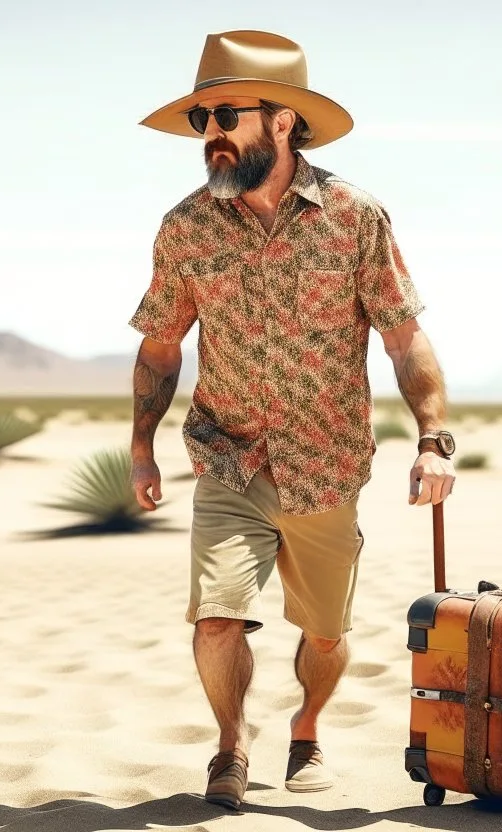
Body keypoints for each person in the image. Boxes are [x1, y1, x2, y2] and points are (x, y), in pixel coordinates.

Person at [127, 30, 456, 810]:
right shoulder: (185, 229)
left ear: (281, 121)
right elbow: (161, 345)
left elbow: (403, 334)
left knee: (327, 633)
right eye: (201, 118)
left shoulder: (354, 216)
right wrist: (140, 448)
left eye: (225, 114)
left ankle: (306, 728)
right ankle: (230, 748)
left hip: (327, 461)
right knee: (216, 620)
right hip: (228, 456)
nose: (209, 133)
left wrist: (434, 438)